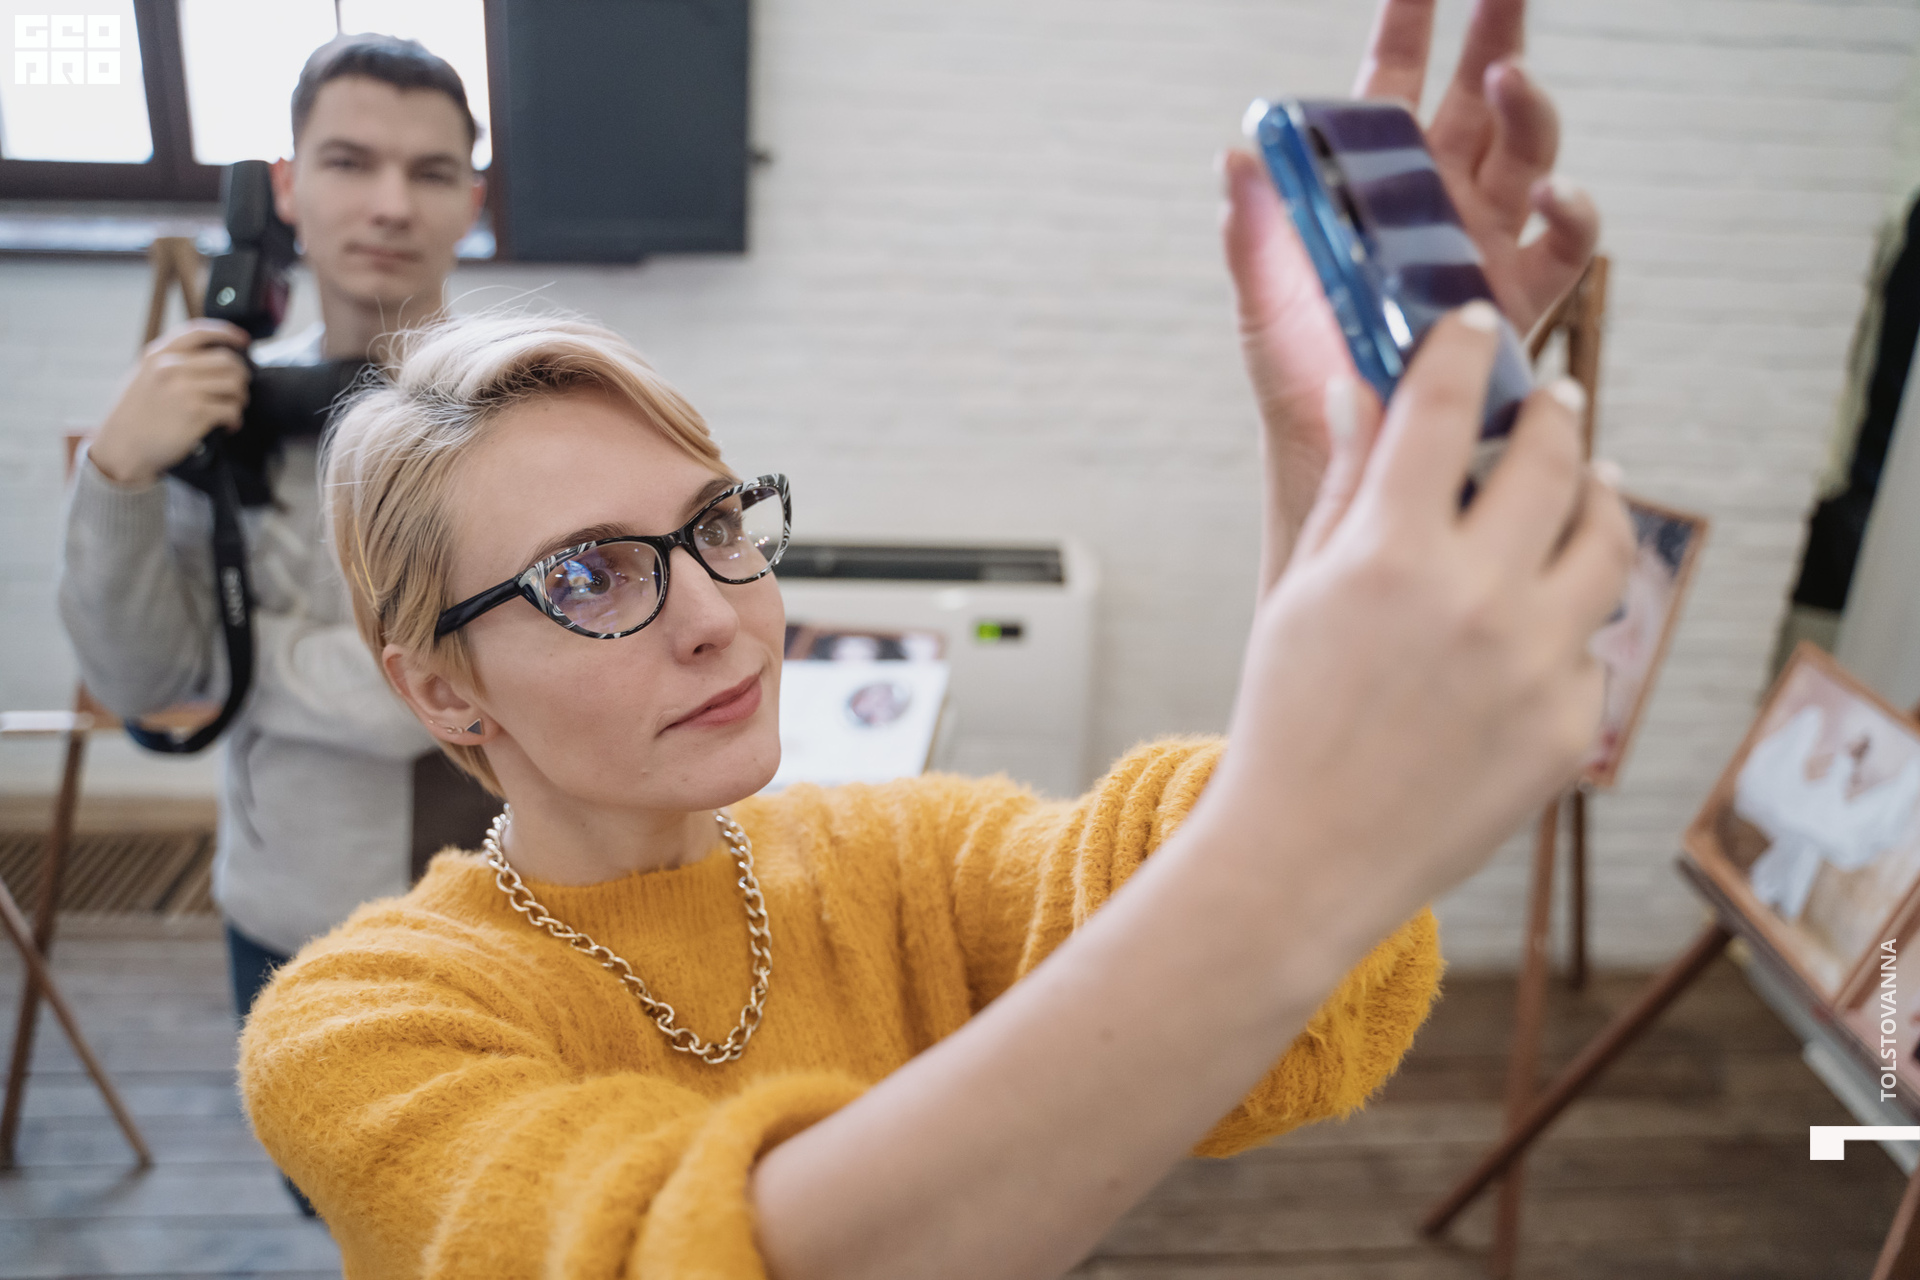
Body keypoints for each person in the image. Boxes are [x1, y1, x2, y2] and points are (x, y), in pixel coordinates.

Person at [238, 0, 1629, 1274]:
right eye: (588, 577)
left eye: (715, 524)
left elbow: (1256, 993)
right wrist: (1306, 841)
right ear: (444, 689)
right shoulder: (362, 1024)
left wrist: (1334, 461)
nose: (720, 618)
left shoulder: (896, 862)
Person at [57, 33, 491, 1026]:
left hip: (492, 908)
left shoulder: (521, 408)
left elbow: (440, 697)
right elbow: (144, 680)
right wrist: (119, 471)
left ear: (470, 204)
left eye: (430, 173)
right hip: (284, 913)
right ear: (284, 187)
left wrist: (240, 658)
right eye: (350, 162)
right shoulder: (225, 407)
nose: (390, 204)